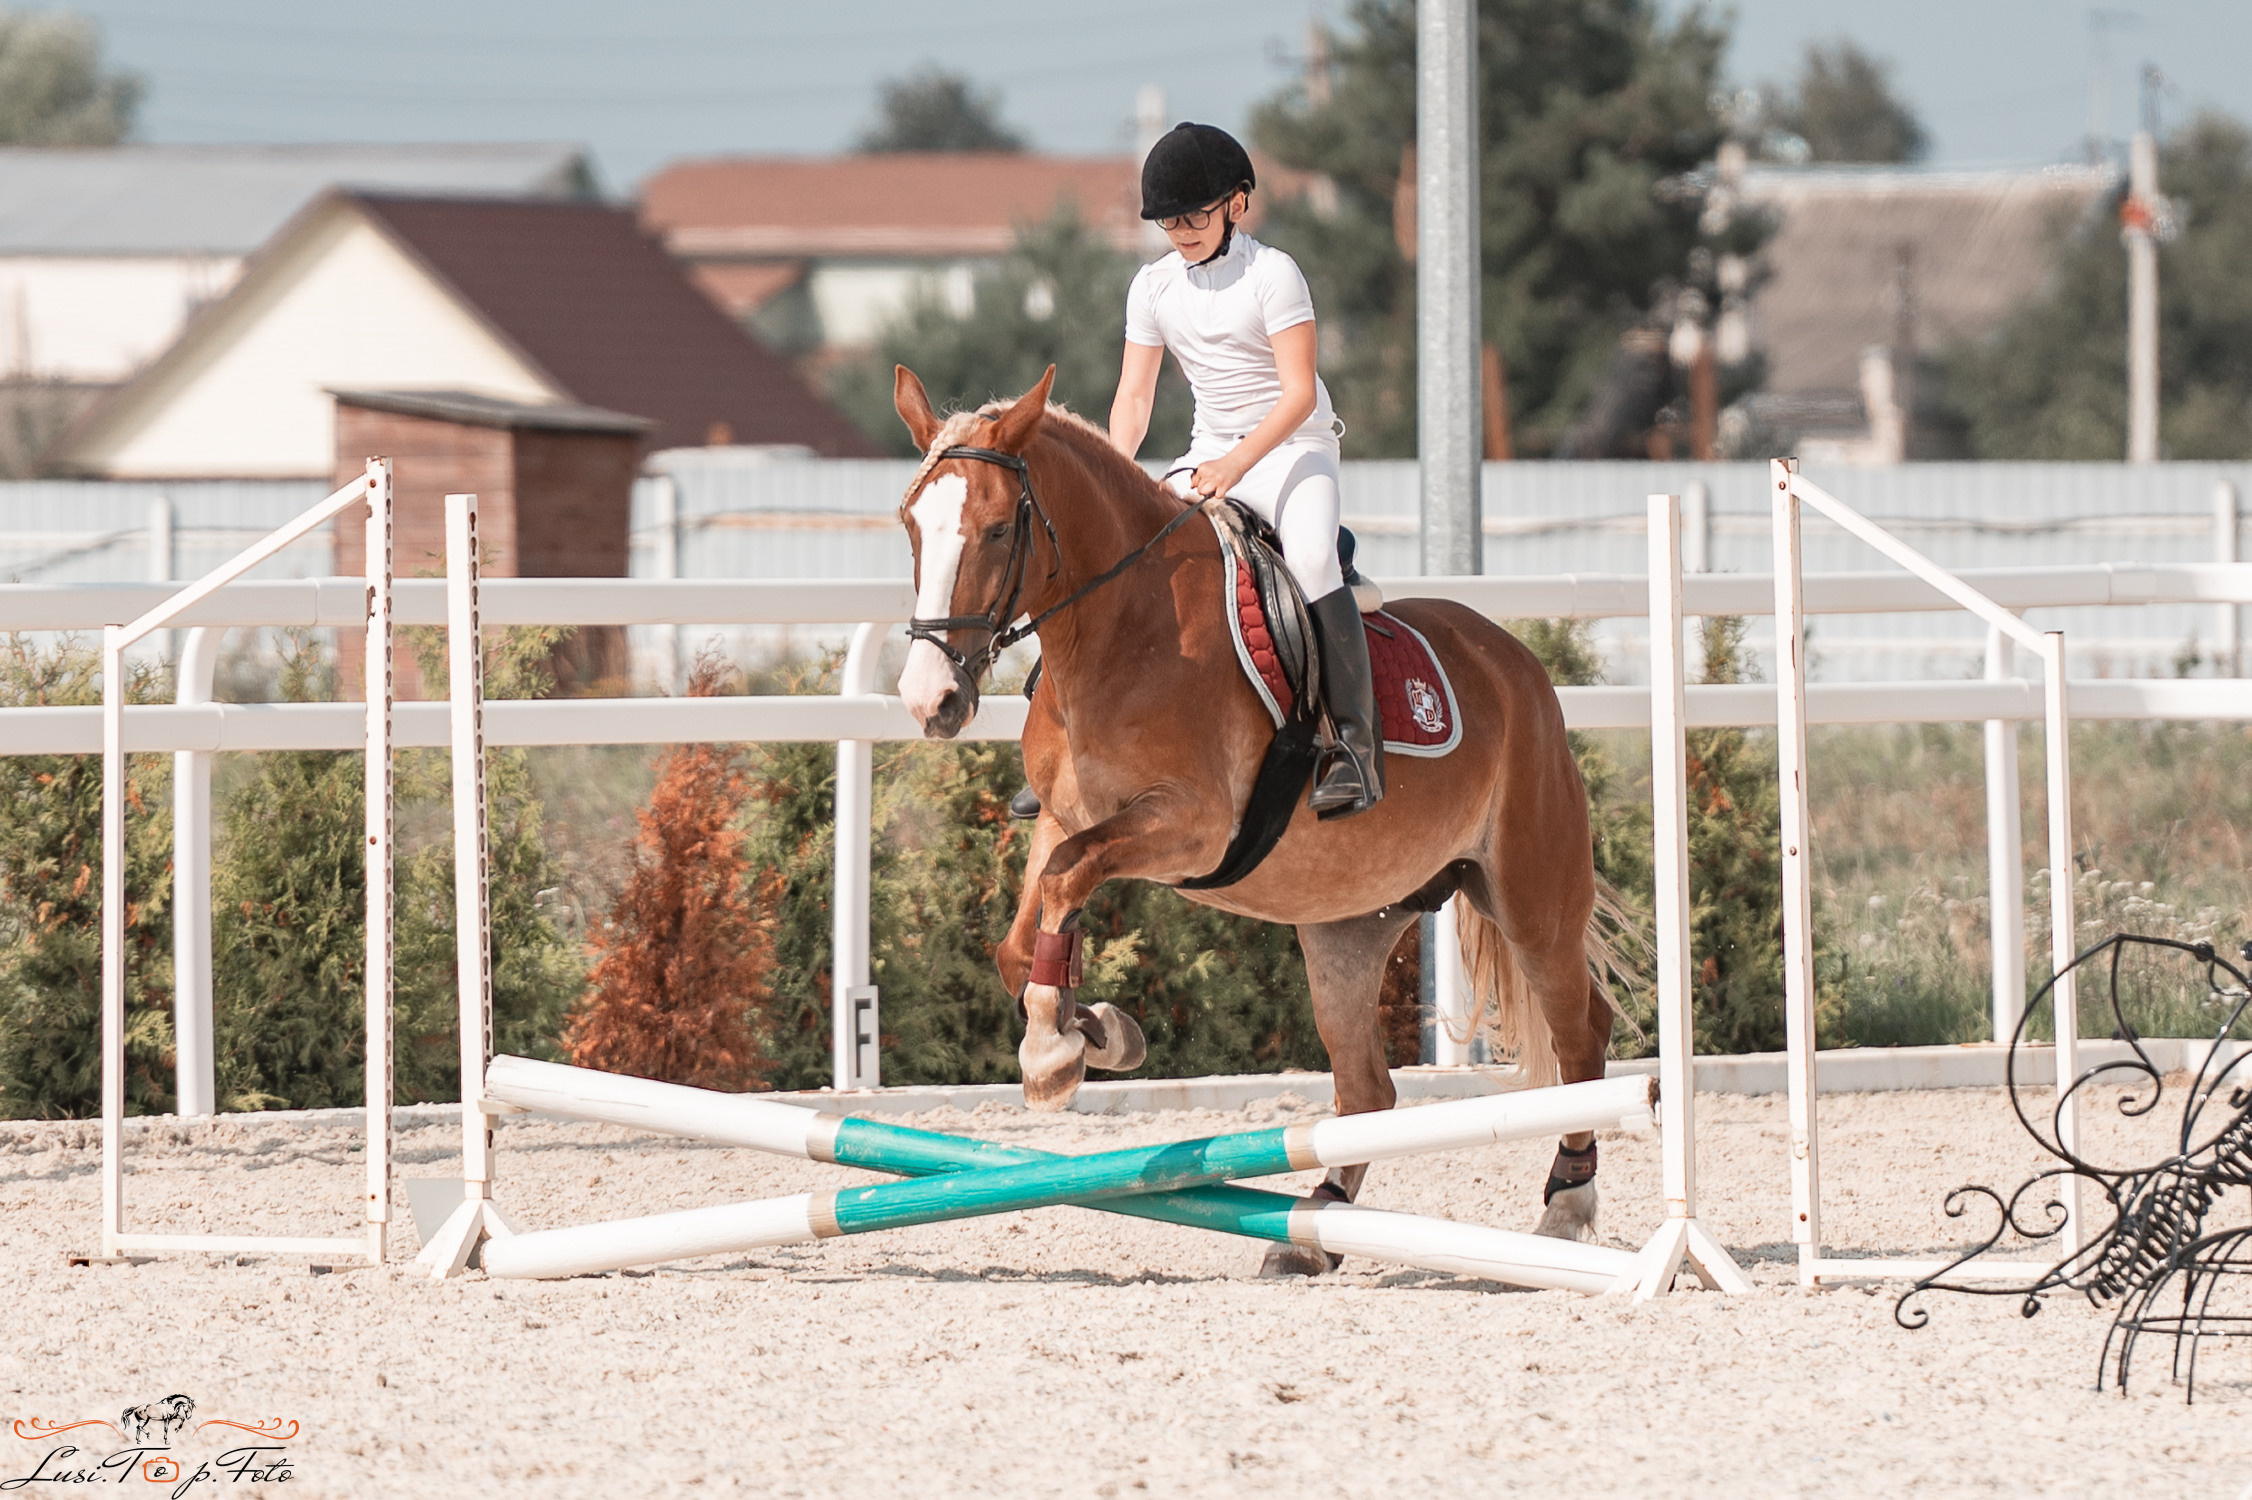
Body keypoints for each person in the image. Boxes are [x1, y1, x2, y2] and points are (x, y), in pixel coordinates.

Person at [1011, 121, 1384, 824]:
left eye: (1194, 215)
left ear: (1236, 205)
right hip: (1207, 451)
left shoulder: (1273, 274)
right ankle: (1059, 735)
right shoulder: (1152, 287)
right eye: (1169, 220)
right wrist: (1116, 482)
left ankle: (1355, 748)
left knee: (1308, 557)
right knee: (1118, 556)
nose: (1180, 231)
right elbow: (1135, 395)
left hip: (1291, 449)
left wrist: (1234, 464)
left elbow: (1298, 392)